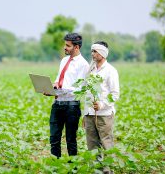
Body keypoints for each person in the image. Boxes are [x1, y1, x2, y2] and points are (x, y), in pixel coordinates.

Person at [44, 33, 89, 158]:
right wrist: (52, 87)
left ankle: (73, 168)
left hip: (71, 106)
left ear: (76, 47)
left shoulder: (83, 64)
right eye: (65, 45)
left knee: (71, 140)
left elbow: (79, 89)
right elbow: (59, 80)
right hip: (57, 104)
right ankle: (55, 166)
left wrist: (61, 90)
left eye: (68, 46)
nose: (65, 48)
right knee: (54, 138)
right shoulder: (64, 60)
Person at [83, 41, 120, 174]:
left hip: (104, 114)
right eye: (92, 51)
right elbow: (86, 92)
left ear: (103, 53)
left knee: (106, 144)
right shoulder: (90, 69)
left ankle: (107, 170)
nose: (92, 54)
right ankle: (96, 170)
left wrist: (102, 104)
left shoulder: (110, 71)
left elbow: (115, 94)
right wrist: (85, 113)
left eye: (95, 51)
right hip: (90, 114)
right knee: (92, 145)